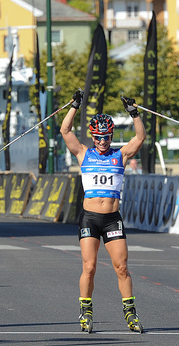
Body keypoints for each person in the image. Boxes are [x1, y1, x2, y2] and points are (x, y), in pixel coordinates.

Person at [59, 89, 145, 333]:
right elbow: (65, 131)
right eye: (98, 137)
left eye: (106, 137)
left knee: (122, 268)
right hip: (90, 217)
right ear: (92, 137)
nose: (102, 141)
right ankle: (85, 310)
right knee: (89, 267)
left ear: (111, 135)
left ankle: (130, 313)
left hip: (111, 219)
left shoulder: (121, 155)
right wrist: (74, 105)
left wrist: (134, 112)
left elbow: (140, 137)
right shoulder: (83, 153)